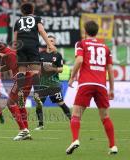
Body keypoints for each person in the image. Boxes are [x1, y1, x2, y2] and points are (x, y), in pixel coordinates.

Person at [66, 21, 117, 155]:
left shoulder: (81, 43)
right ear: (97, 32)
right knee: (105, 117)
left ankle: (75, 139)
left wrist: (72, 77)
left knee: (76, 114)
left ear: (85, 31)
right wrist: (111, 89)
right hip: (101, 85)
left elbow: (79, 60)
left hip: (86, 83)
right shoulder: (106, 48)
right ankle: (113, 146)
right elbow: (110, 70)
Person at [13, 2, 56, 109]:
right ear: (32, 10)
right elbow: (41, 30)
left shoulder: (18, 21)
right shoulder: (37, 18)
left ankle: (20, 93)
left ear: (22, 11)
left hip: (21, 46)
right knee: (36, 71)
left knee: (21, 72)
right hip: (32, 45)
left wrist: (15, 50)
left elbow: (15, 38)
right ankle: (36, 94)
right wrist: (49, 44)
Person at [0, 40, 33, 141]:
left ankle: (23, 130)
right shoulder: (10, 54)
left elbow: (9, 64)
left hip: (22, 80)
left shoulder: (10, 54)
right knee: (21, 105)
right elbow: (8, 66)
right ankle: (26, 130)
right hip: (28, 79)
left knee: (10, 103)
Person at [35, 35, 71, 131]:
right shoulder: (41, 54)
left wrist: (52, 68)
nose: (50, 42)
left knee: (60, 103)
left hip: (53, 84)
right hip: (43, 84)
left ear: (54, 43)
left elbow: (61, 69)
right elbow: (38, 68)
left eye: (52, 41)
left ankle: (72, 121)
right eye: (49, 40)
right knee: (38, 103)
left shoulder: (57, 55)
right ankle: (40, 125)